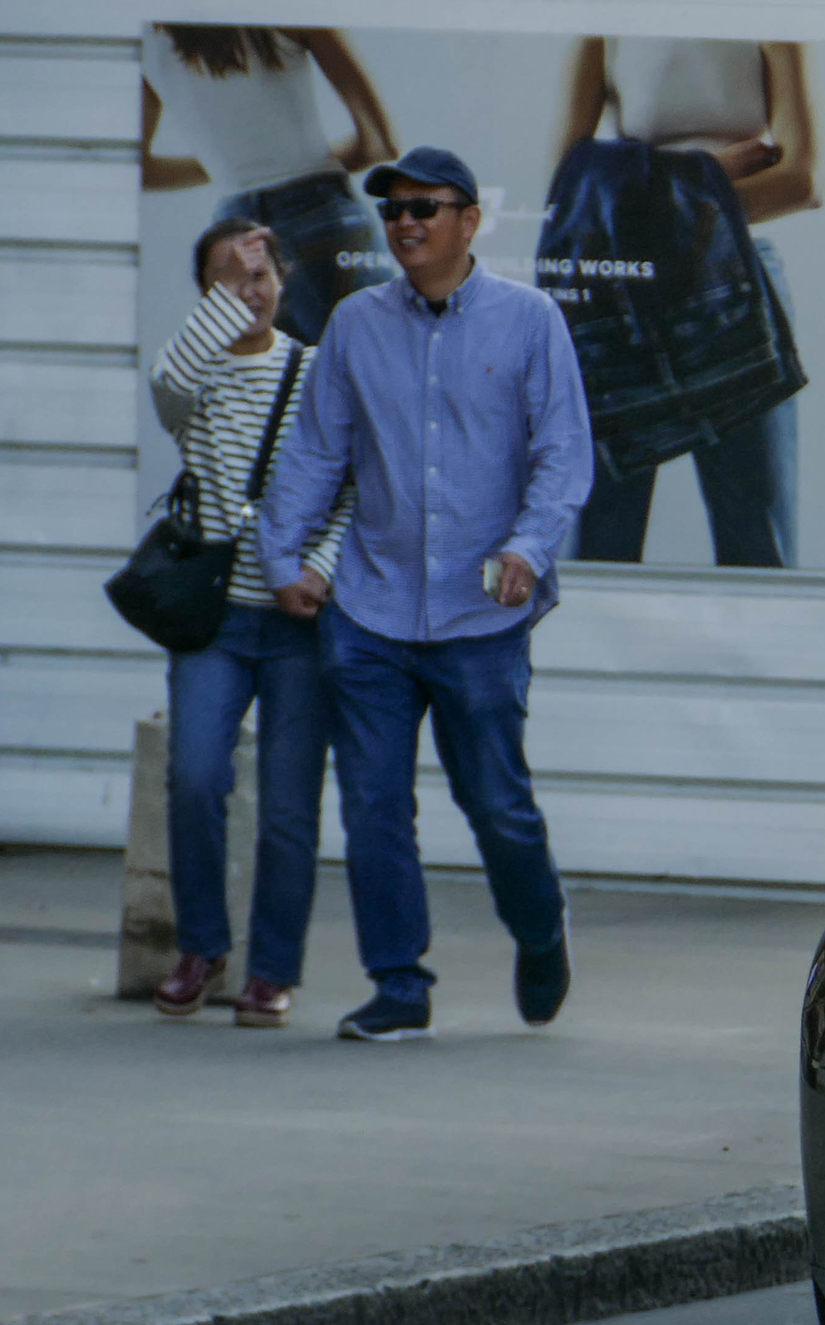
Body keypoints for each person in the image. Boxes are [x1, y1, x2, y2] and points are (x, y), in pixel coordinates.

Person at [257, 147, 595, 1042]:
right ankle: (399, 983)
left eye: (425, 208)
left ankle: (537, 925)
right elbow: (317, 451)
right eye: (394, 209)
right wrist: (282, 553)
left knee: (496, 804)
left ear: (469, 220)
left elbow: (564, 453)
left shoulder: (529, 322)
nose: (405, 223)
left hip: (482, 615)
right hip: (369, 610)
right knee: (373, 806)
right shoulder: (356, 325)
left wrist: (528, 543)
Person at [147, 219, 353, 1026]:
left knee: (290, 805)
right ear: (206, 295)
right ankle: (201, 946)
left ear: (287, 282)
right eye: (232, 278)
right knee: (195, 776)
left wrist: (319, 570)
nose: (253, 291)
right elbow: (166, 376)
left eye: (263, 275)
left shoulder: (313, 373)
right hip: (213, 620)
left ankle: (271, 970)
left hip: (298, 624)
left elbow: (350, 490)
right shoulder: (192, 383)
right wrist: (225, 295)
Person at [555, 39, 819, 567]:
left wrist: (651, 202)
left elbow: (802, 183)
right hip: (629, 280)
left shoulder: (777, 19)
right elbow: (568, 187)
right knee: (597, 543)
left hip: (737, 274)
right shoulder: (604, 24)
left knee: (759, 547)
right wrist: (707, 179)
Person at [139, 26, 397, 343]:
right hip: (322, 216)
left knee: (279, 388)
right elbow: (379, 143)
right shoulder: (291, 16)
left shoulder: (148, 40)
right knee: (376, 376)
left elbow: (143, 170)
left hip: (235, 244)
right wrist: (282, 160)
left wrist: (230, 166)